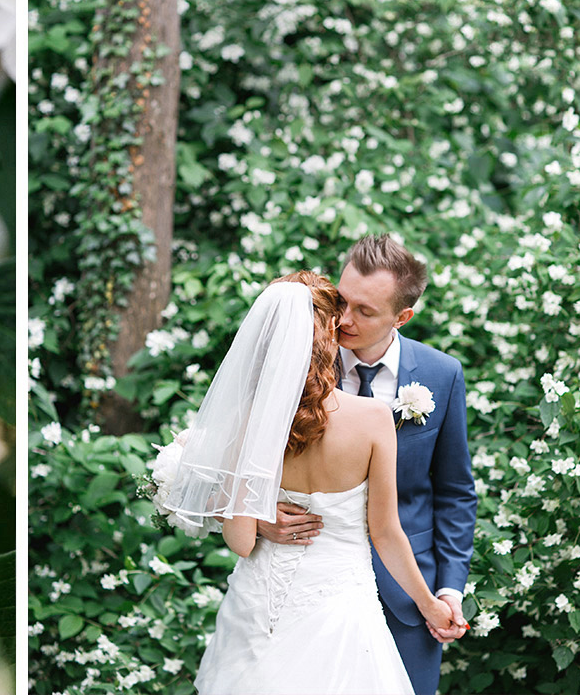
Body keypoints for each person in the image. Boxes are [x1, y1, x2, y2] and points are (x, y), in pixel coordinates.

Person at [164, 271, 457, 695]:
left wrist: (261, 514)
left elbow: (242, 541)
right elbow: (386, 532)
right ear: (330, 336)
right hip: (341, 607)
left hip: (258, 608)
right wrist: (430, 605)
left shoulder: (249, 422)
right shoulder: (373, 419)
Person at [256, 237, 477, 695]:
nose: (344, 320)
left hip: (410, 596)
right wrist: (259, 518)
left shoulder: (442, 374)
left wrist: (448, 589)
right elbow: (241, 467)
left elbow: (455, 492)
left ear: (402, 317)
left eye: (366, 311)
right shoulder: (295, 370)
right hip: (309, 589)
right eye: (341, 301)